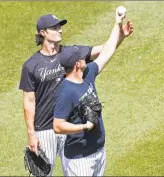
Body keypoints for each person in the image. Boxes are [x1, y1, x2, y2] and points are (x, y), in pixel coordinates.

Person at [19, 12, 132, 176]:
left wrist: (120, 35)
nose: (60, 30)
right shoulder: (31, 66)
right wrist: (31, 134)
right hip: (44, 129)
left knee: (74, 170)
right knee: (42, 174)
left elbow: (104, 51)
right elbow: (29, 101)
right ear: (42, 33)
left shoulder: (71, 54)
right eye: (55, 27)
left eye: (60, 26)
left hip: (68, 124)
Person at [53, 8, 133, 176]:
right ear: (76, 64)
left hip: (98, 150)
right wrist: (85, 126)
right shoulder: (66, 92)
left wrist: (117, 26)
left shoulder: (87, 73)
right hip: (79, 158)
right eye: (82, 57)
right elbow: (58, 126)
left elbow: (106, 53)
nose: (85, 58)